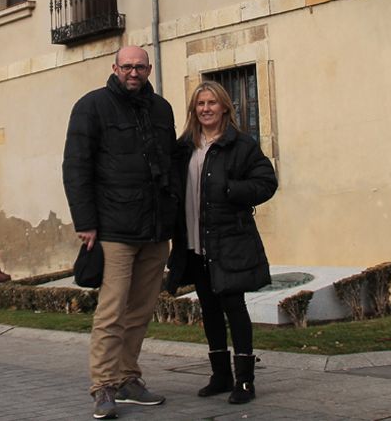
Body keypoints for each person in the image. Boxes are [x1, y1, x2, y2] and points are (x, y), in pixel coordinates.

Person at [63, 46, 177, 419]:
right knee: (111, 311)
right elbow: (76, 165)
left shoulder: (161, 109)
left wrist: (172, 219)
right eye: (126, 66)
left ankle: (128, 378)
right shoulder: (91, 106)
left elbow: (170, 165)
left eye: (140, 66)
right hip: (114, 228)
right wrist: (85, 222)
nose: (133, 72)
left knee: (142, 310)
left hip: (156, 229)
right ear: (114, 68)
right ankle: (103, 386)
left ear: (148, 69)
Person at [166, 81, 277, 404]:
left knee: (234, 307)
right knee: (210, 309)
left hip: (229, 241)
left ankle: (245, 380)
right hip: (194, 244)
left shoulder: (240, 145)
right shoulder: (185, 147)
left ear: (225, 107)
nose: (206, 109)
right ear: (193, 110)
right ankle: (219, 375)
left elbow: (267, 182)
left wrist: (234, 190)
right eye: (200, 104)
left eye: (212, 103)